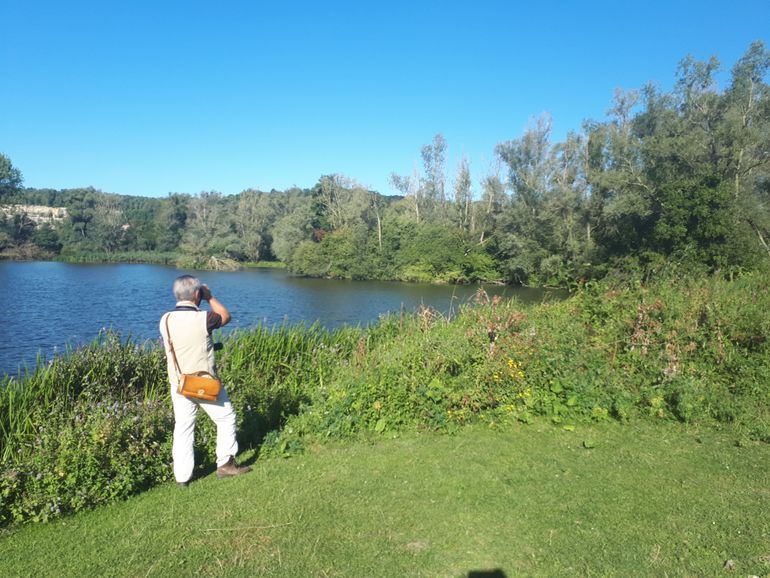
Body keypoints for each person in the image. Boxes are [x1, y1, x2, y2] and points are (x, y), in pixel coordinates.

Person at [159, 275, 251, 486]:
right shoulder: (204, 319)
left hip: (179, 384)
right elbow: (225, 316)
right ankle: (226, 465)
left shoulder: (165, 320)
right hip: (204, 384)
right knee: (226, 418)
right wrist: (210, 297)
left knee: (183, 427)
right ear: (196, 294)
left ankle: (182, 477)